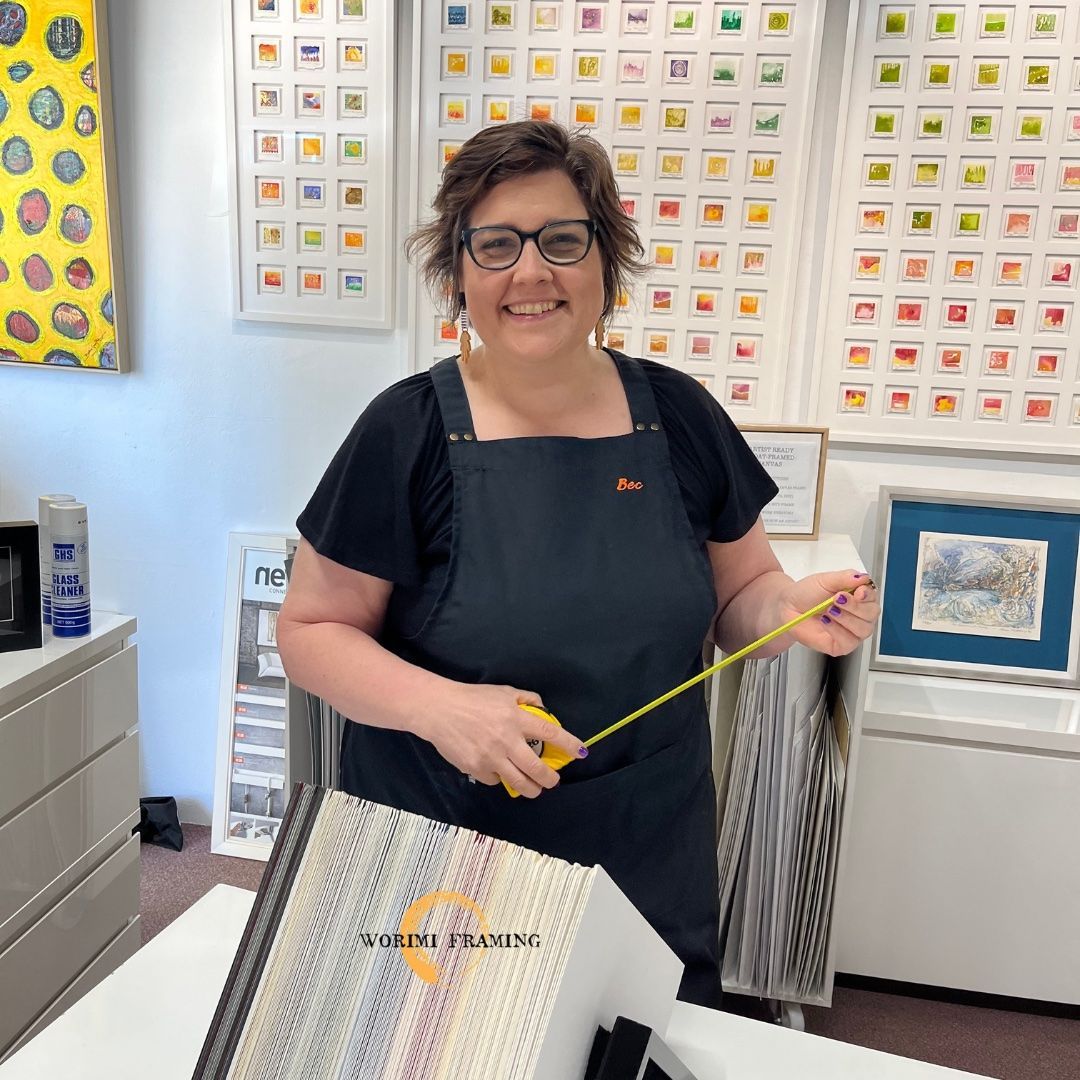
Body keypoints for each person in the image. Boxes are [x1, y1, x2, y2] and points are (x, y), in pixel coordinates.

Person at [277, 120, 880, 1009]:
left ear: (607, 264)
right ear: (458, 277)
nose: (532, 272)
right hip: (443, 848)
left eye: (563, 240)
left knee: (629, 1045)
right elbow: (311, 631)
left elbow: (741, 597)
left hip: (641, 842)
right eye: (496, 245)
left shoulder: (680, 417)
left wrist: (793, 609)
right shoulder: (402, 432)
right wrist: (439, 707)